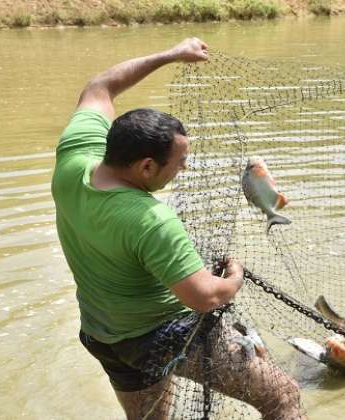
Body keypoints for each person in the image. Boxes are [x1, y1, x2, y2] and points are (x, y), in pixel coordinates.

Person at [52, 38, 304, 419]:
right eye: (179, 162)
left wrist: (170, 55)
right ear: (147, 167)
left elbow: (99, 87)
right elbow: (205, 297)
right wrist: (233, 278)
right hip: (163, 338)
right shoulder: (150, 219)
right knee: (282, 396)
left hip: (102, 336)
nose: (184, 168)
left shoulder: (74, 158)